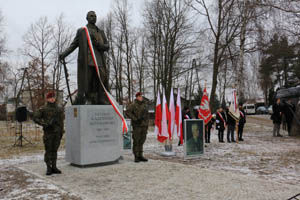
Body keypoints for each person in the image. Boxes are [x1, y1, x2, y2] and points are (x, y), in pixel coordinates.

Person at [59, 11, 109, 105]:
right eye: (91, 16)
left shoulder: (101, 32)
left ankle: (100, 98)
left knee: (100, 81)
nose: (93, 17)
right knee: (87, 81)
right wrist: (64, 54)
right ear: (87, 18)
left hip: (99, 61)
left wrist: (99, 45)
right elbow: (73, 45)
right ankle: (88, 99)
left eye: (95, 16)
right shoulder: (82, 31)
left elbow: (107, 46)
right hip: (88, 61)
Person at [33, 92, 64, 175]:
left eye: (53, 97)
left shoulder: (58, 109)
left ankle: (54, 167)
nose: (52, 99)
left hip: (57, 133)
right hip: (48, 133)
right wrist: (45, 124)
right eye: (50, 98)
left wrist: (61, 131)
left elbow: (61, 121)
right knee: (48, 151)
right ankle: (48, 168)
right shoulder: (43, 108)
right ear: (47, 99)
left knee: (55, 150)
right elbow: (35, 118)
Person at [126, 92, 149, 163]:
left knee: (142, 140)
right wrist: (135, 119)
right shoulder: (133, 105)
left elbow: (147, 114)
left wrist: (146, 123)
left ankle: (140, 155)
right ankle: (136, 156)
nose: (141, 97)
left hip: (144, 125)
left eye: (141, 96)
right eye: (139, 96)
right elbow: (127, 113)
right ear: (136, 97)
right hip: (137, 126)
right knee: (136, 141)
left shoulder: (145, 105)